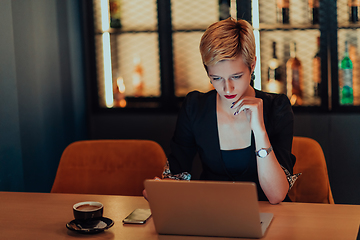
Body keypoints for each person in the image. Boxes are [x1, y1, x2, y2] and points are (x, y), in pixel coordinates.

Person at [155, 17, 298, 204]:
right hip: (213, 217)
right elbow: (176, 173)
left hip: (269, 218)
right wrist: (162, 191)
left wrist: (260, 131)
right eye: (216, 78)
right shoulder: (194, 107)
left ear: (252, 65)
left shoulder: (277, 107)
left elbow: (276, 195)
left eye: (236, 77)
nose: (227, 88)